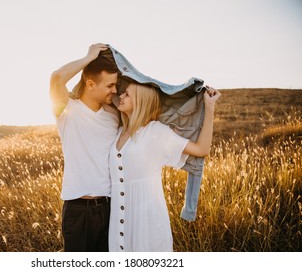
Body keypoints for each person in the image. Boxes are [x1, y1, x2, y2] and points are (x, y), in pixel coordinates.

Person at [108, 81, 221, 252]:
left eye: (127, 94)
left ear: (140, 101)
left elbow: (201, 149)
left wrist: (209, 107)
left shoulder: (156, 132)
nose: (121, 96)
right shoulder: (118, 131)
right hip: (118, 221)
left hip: (147, 221)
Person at [49, 43, 119, 252]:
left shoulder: (115, 115)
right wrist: (89, 57)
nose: (115, 90)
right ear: (90, 84)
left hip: (110, 207)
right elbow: (57, 78)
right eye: (109, 86)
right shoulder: (67, 110)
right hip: (78, 209)